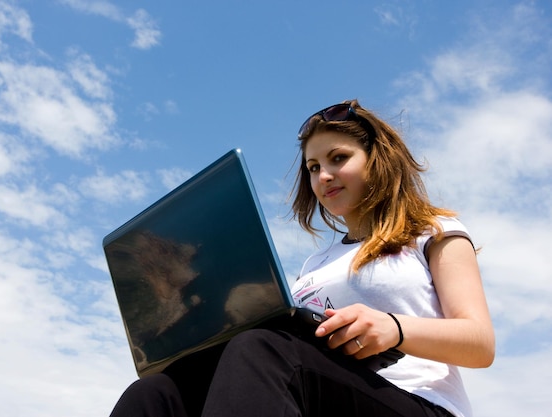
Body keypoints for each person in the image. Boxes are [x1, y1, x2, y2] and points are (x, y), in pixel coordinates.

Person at [109, 99, 495, 417]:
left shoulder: (432, 230)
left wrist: (395, 328)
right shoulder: (314, 266)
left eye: (338, 158)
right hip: (320, 393)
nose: (323, 175)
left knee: (262, 349)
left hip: (416, 402)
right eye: (313, 167)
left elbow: (479, 343)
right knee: (157, 392)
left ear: (378, 159)